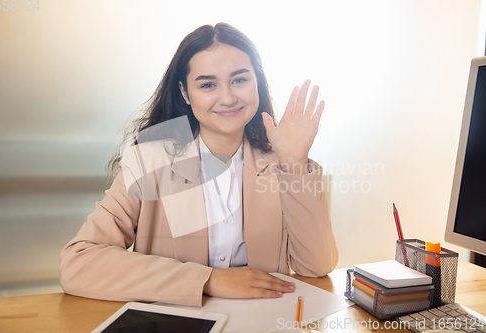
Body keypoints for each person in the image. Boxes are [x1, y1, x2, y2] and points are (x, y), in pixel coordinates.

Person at [59, 23, 338, 307]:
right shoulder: (149, 160)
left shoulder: (281, 162)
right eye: (208, 85)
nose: (228, 97)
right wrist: (208, 280)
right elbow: (77, 263)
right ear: (185, 92)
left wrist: (293, 163)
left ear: (258, 82)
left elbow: (315, 266)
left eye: (240, 80)